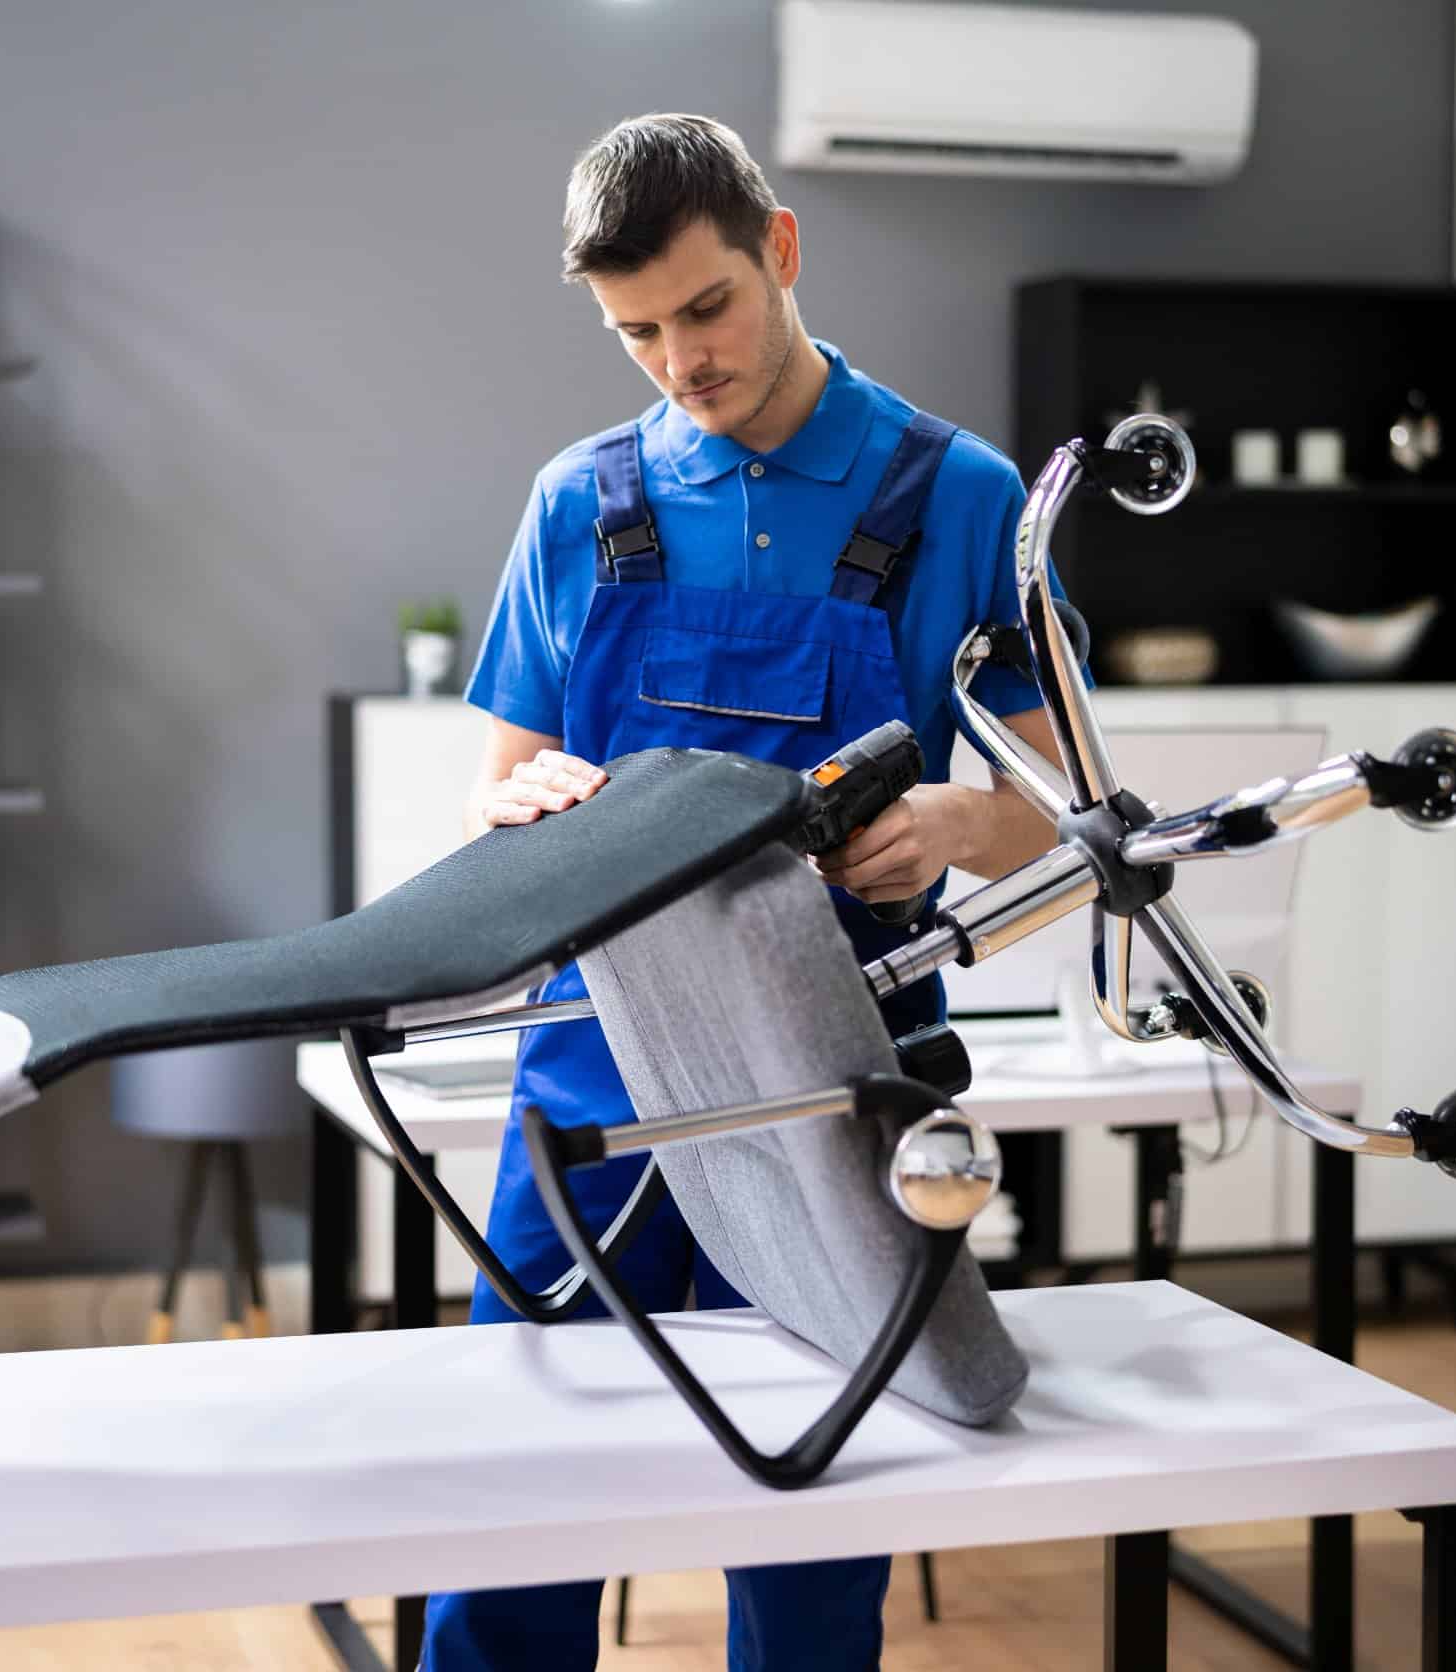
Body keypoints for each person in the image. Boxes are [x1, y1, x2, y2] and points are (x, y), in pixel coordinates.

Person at [427, 113, 1074, 1672]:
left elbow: (1057, 815)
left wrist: (945, 819)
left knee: (812, 1531)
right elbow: (501, 781)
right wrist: (524, 799)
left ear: (780, 251)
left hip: (836, 1085)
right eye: (636, 331)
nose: (680, 363)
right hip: (596, 1070)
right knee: (528, 1496)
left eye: (705, 309)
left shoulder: (958, 497)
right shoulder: (579, 503)